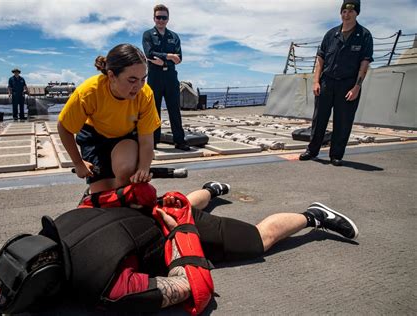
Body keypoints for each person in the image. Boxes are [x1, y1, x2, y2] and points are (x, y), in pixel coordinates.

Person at [59, 180, 359, 312]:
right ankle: (210, 189)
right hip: (147, 210)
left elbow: (187, 286)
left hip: (167, 226)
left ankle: (313, 216)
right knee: (180, 203)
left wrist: (180, 235)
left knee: (258, 240)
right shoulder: (57, 228)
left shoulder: (110, 286)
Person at [57, 44, 161, 195]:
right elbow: (64, 127)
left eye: (143, 79)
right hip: (94, 136)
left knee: (126, 174)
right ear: (112, 76)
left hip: (124, 137)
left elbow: (146, 139)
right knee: (102, 195)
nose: (138, 86)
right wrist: (78, 163)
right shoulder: (89, 92)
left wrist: (143, 168)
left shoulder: (145, 94)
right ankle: (96, 190)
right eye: (132, 80)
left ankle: (120, 191)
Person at [299, 0, 373, 166]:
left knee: (343, 120)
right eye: (344, 12)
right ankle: (312, 151)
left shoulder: (364, 35)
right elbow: (320, 59)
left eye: (351, 12)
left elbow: (364, 63)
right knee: (319, 119)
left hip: (348, 85)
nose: (346, 15)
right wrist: (316, 81)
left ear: (357, 13)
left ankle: (336, 155)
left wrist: (357, 87)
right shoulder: (331, 34)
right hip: (326, 82)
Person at [142, 4, 190, 151]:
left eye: (164, 17)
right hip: (155, 77)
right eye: (158, 17)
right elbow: (149, 54)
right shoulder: (148, 35)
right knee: (154, 111)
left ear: (168, 19)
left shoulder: (174, 36)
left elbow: (179, 58)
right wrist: (169, 56)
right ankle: (154, 141)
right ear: (154, 18)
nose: (161, 20)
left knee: (174, 110)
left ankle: (179, 141)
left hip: (170, 77)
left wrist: (163, 60)